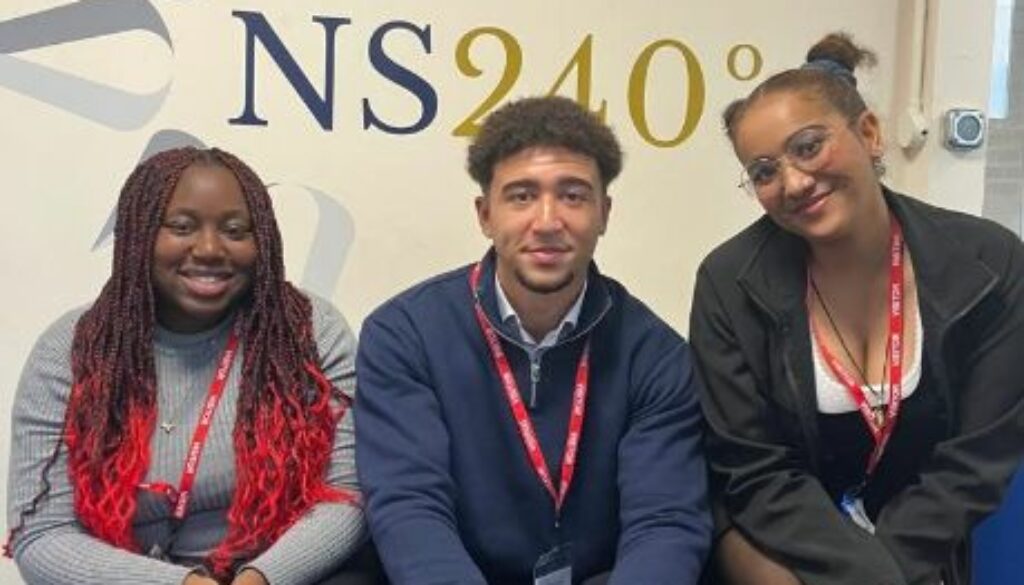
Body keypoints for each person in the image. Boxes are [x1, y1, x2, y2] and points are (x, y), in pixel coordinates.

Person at [690, 32, 1024, 585]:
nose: (794, 182)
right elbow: (754, 471)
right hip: (776, 544)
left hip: (917, 545)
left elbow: (975, 462)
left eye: (808, 146)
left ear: (869, 133)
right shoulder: (728, 284)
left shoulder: (990, 265)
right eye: (765, 172)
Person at [355, 95, 711, 584]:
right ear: (485, 214)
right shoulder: (404, 335)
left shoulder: (655, 354)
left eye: (573, 195)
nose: (547, 221)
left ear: (604, 213)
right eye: (522, 196)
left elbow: (664, 523)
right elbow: (410, 508)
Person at [5, 147, 368, 585]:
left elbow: (348, 495)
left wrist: (261, 578)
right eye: (181, 227)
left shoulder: (310, 332)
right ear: (139, 234)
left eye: (235, 230)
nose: (211, 248)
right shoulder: (70, 349)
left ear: (264, 242)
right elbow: (42, 534)